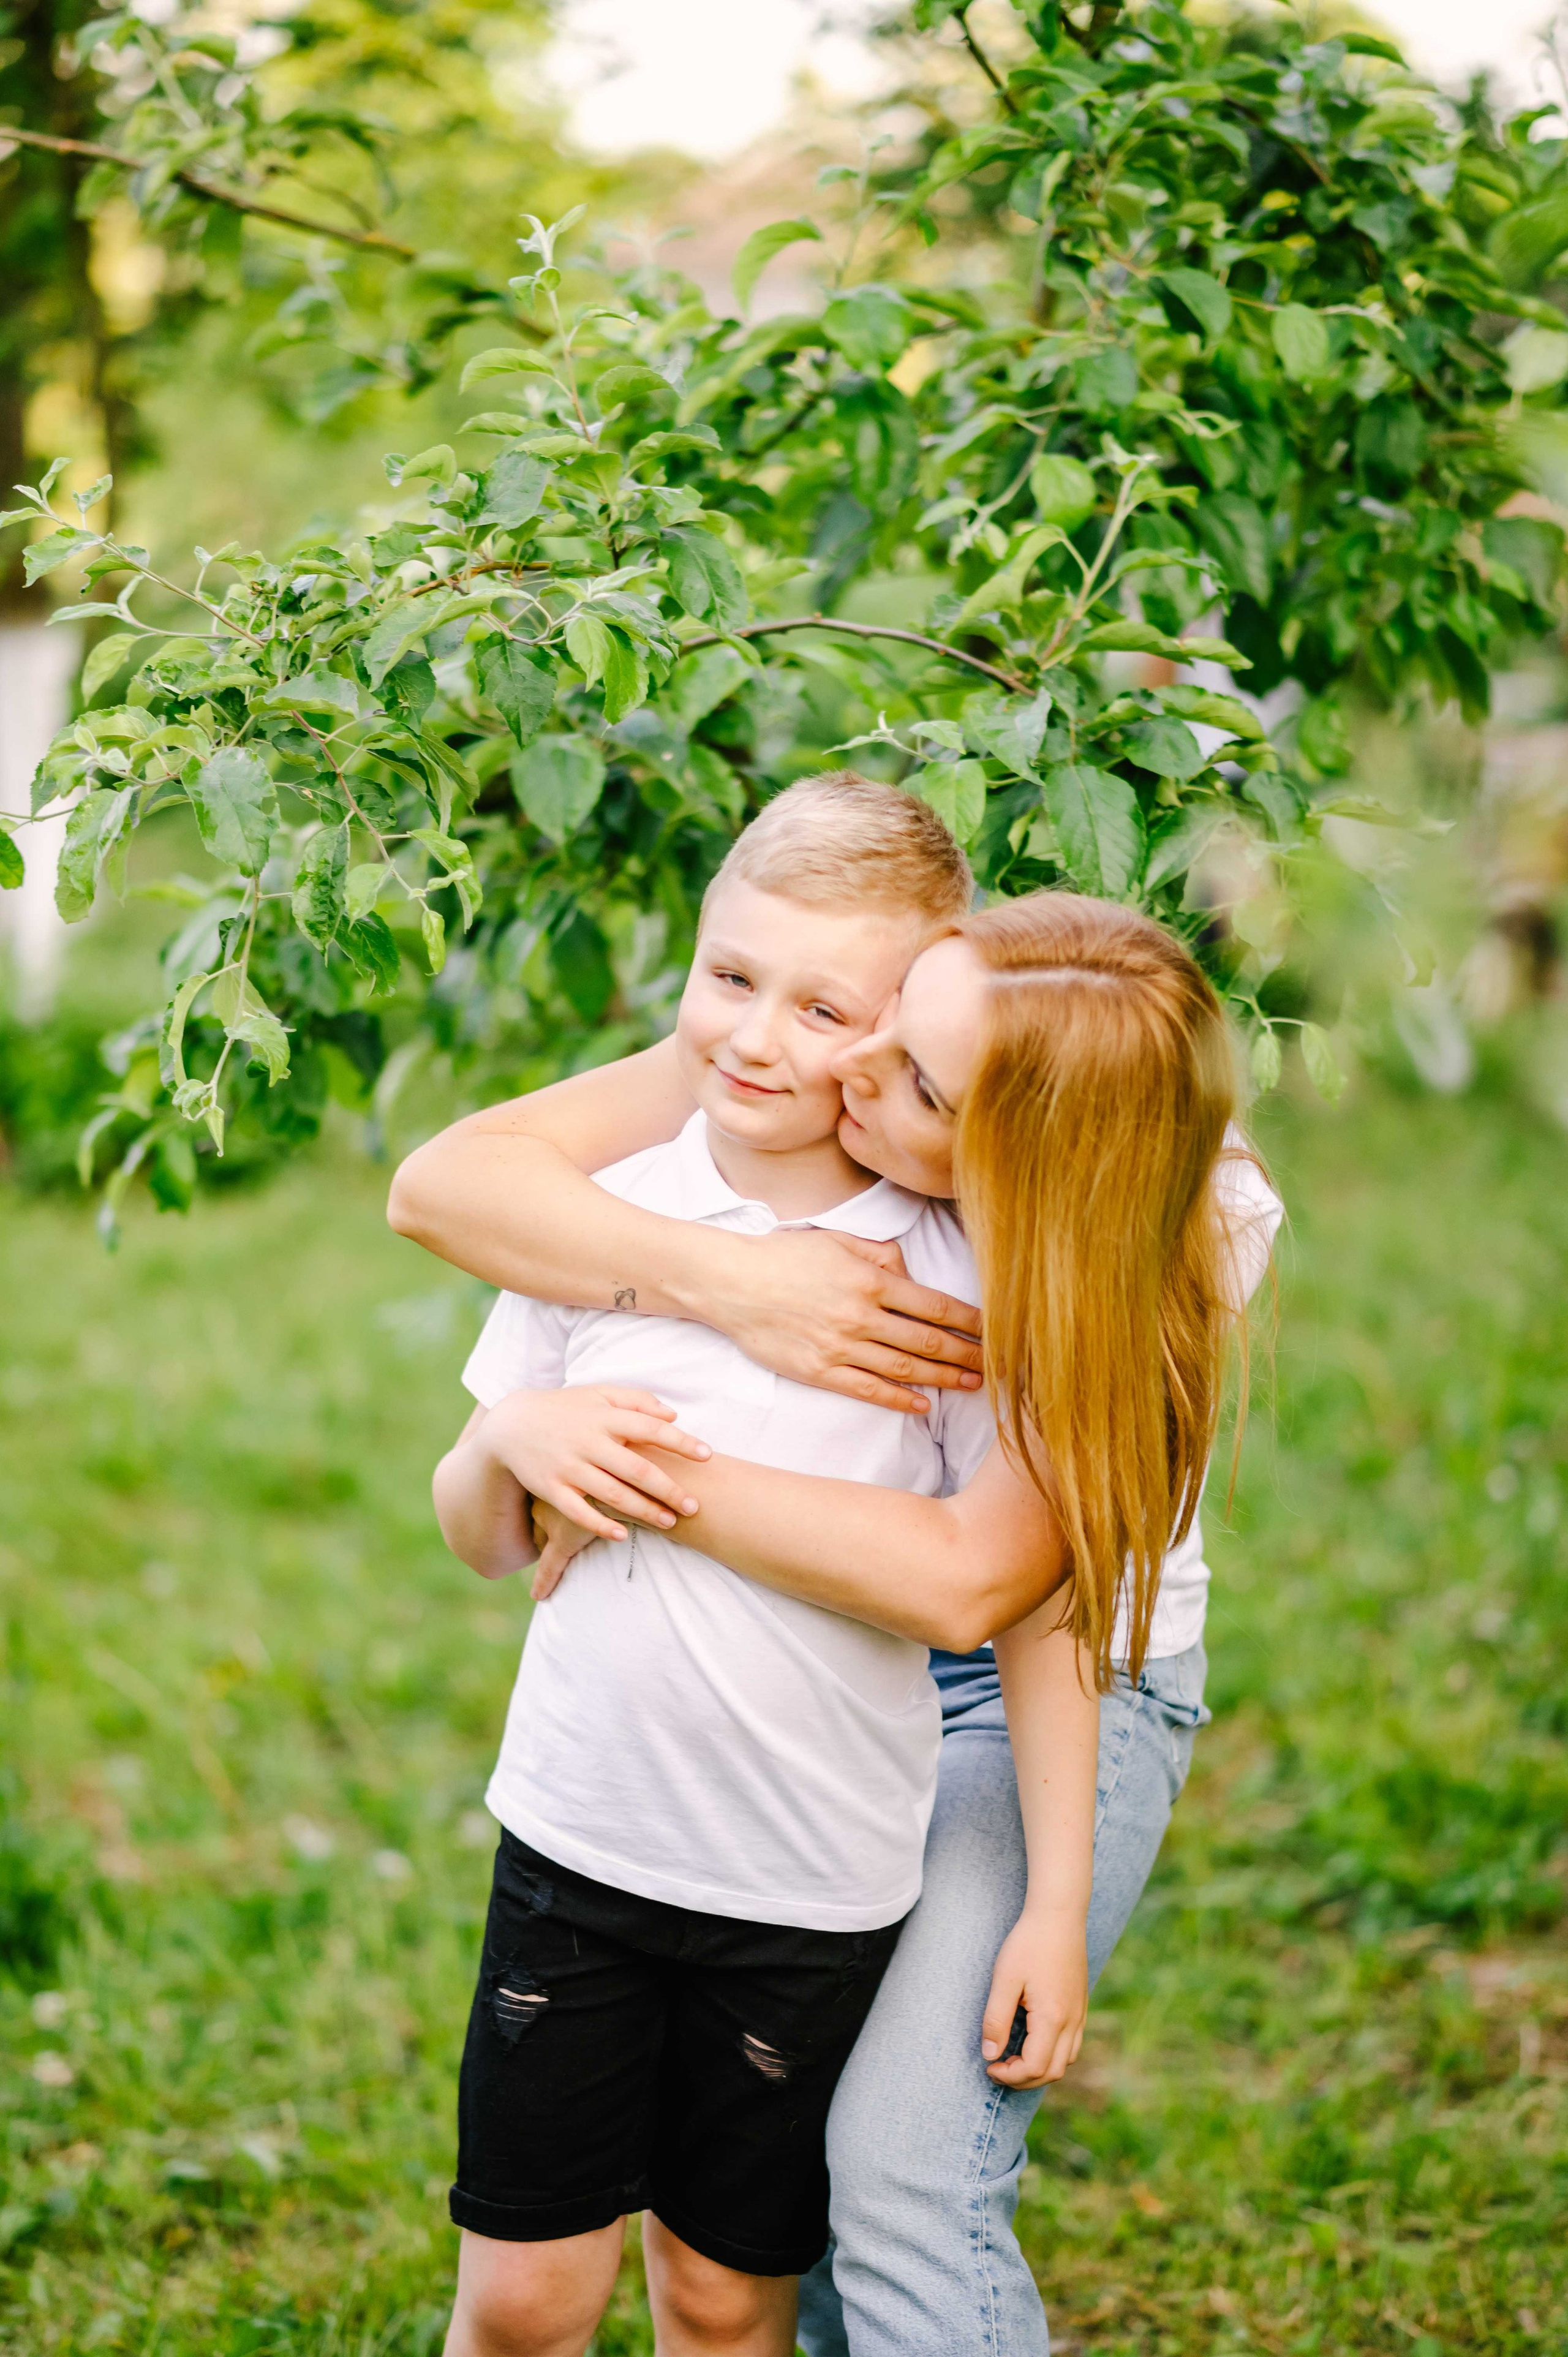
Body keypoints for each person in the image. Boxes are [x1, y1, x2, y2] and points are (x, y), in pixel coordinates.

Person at [393, 816, 1283, 2357]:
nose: (836, 1074)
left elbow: (994, 1594)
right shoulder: (856, 1043)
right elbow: (448, 1184)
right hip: (729, 1733)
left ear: (1005, 1159)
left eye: (899, 1076)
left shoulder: (1155, 1235)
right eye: (873, 1027)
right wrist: (733, 1286)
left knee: (891, 2162)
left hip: (1022, 1675)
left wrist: (626, 1474)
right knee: (738, 2195)